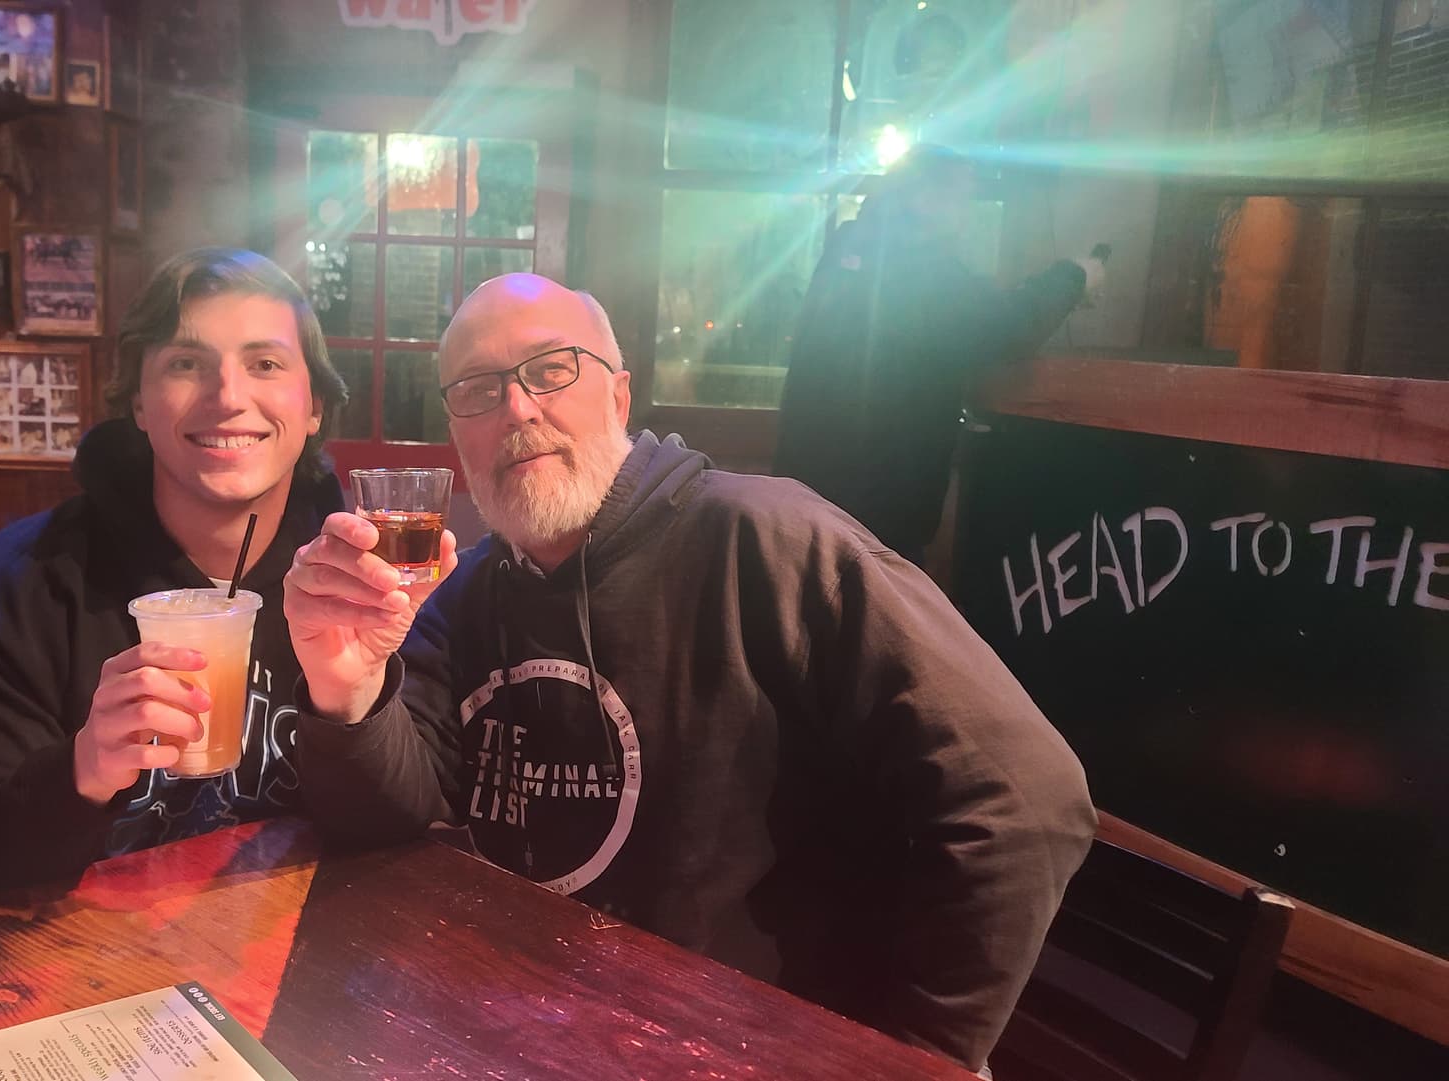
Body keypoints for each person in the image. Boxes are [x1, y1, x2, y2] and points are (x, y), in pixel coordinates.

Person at [283, 273, 1096, 1073]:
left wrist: (917, 1057)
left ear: (620, 396)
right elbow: (389, 823)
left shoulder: (774, 543)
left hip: (761, 1050)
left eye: (550, 369)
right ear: (456, 434)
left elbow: (1026, 799)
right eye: (477, 389)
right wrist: (346, 687)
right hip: (527, 1028)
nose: (517, 409)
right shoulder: (464, 592)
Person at [0, 247, 348, 909]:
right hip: (78, 961)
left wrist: (361, 699)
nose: (227, 396)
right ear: (138, 401)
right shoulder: (4, 596)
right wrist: (78, 774)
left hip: (309, 953)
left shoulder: (358, 590)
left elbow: (415, 829)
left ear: (314, 406)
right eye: (186, 363)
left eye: (265, 364)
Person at [773, 145, 1104, 563]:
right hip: (873, 518)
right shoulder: (924, 274)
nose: (967, 211)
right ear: (924, 196)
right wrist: (1076, 276)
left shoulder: (851, 247)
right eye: (961, 195)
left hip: (807, 499)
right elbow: (1009, 325)